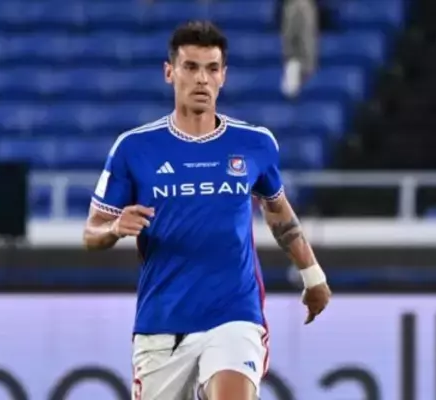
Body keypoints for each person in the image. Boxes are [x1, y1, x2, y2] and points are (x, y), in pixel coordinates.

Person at [83, 21, 331, 400]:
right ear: (169, 72)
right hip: (162, 322)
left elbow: (279, 212)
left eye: (212, 68)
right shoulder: (133, 148)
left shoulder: (255, 143)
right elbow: (91, 233)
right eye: (191, 67)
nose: (202, 79)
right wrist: (115, 227)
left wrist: (312, 275)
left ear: (223, 76)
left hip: (234, 314)